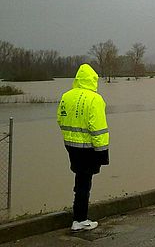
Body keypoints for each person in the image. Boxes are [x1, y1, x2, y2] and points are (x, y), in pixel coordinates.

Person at [57, 63, 110, 232]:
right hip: (88, 148)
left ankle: (78, 217)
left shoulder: (67, 96)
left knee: (80, 179)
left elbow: (60, 119)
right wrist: (103, 153)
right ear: (92, 80)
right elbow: (99, 128)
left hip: (70, 146)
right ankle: (80, 219)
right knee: (84, 183)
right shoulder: (95, 99)